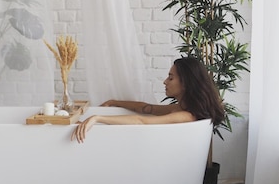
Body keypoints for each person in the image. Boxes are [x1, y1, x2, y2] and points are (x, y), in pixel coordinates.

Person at [72, 57, 225, 143]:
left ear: (186, 83)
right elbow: (147, 108)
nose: (165, 81)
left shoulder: (186, 116)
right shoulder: (182, 109)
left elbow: (141, 121)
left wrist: (97, 118)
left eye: (171, 78)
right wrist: (114, 102)